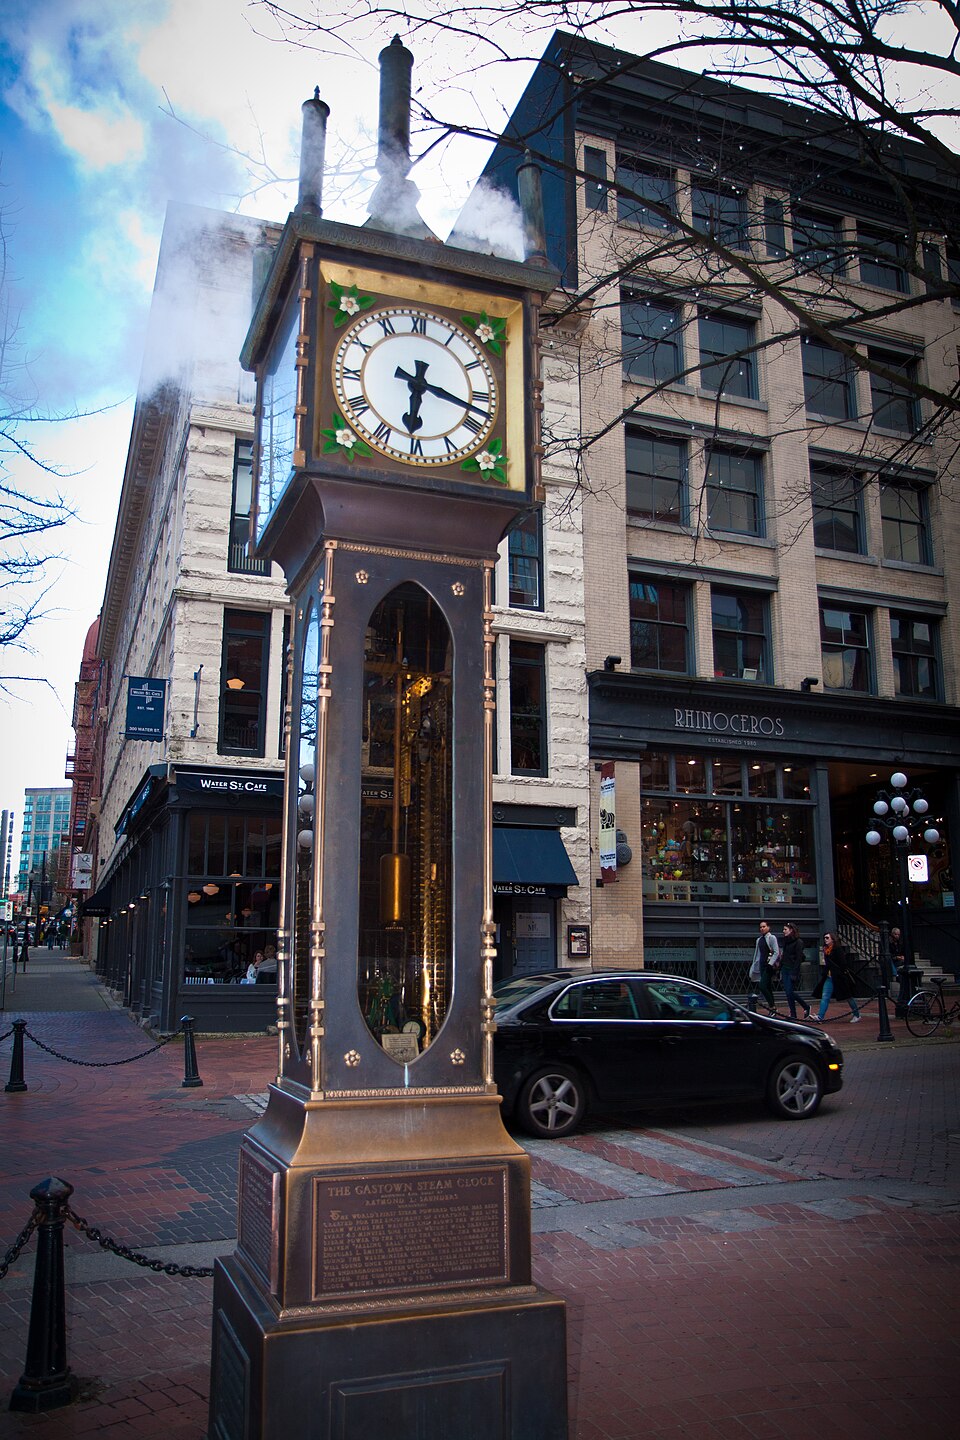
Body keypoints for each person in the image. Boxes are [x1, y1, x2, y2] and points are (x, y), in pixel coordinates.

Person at [814, 931, 861, 1023]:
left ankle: (857, 1014)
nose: (825, 939)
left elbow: (843, 963)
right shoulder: (826, 950)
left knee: (848, 996)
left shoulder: (837, 949)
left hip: (839, 977)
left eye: (827, 938)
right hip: (829, 977)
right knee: (825, 996)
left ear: (832, 939)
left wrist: (840, 972)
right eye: (824, 938)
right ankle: (820, 1016)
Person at [780, 922, 813, 1021]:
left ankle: (804, 1007)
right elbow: (784, 955)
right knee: (788, 992)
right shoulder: (786, 941)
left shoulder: (799, 942)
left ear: (791, 930)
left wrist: (795, 972)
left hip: (791, 969)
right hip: (785, 968)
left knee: (790, 992)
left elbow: (799, 958)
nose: (783, 931)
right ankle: (794, 1013)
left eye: (785, 929)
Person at [750, 920, 780, 1015]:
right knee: (767, 987)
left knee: (762, 986)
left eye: (764, 926)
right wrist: (755, 966)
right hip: (761, 966)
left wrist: (770, 964)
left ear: (768, 927)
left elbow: (776, 951)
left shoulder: (771, 938)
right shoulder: (759, 940)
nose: (762, 929)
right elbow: (757, 954)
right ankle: (773, 1008)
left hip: (769, 966)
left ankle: (772, 1007)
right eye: (760, 927)